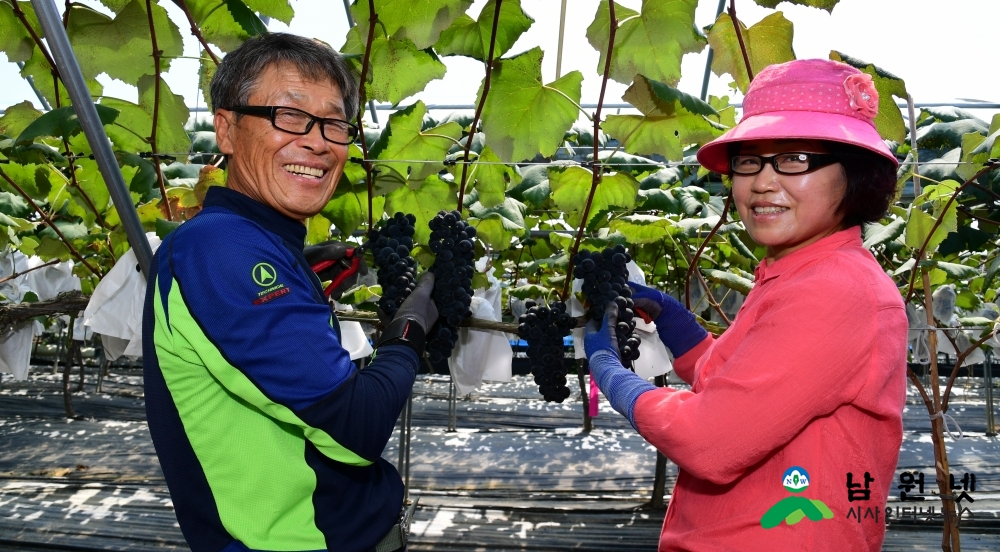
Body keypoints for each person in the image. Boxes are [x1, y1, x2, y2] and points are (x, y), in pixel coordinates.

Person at [584, 58, 908, 551]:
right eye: (748, 161)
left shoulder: (836, 290)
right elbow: (733, 381)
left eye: (795, 158)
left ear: (855, 175)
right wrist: (675, 320)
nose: (761, 182)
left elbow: (708, 440)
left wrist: (610, 371)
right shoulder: (797, 272)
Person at [142, 33, 436, 552]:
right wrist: (407, 335)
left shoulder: (249, 242)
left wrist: (296, 269)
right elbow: (355, 425)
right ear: (227, 129)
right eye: (290, 116)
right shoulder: (222, 248)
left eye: (334, 123)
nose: (318, 141)